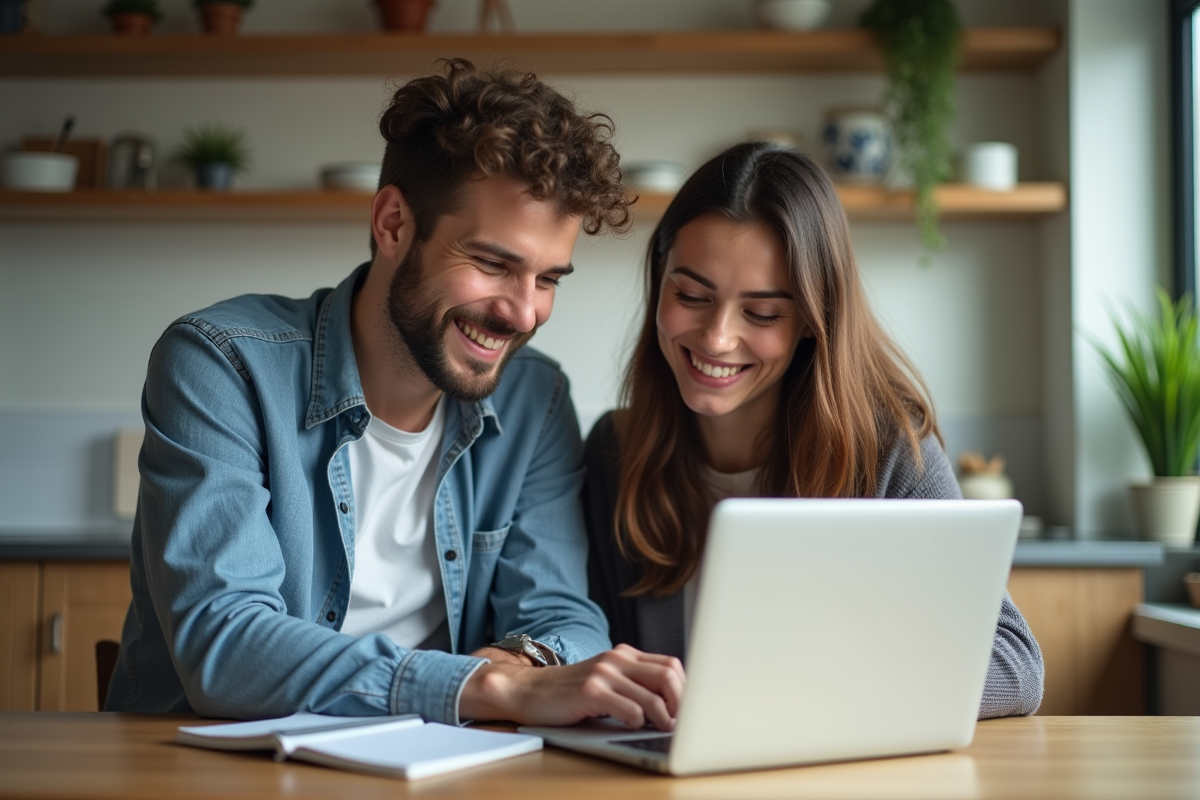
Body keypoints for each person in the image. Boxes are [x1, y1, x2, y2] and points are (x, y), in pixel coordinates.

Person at [106, 59, 684, 732]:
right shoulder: (220, 364)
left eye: (549, 278)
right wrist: (488, 688)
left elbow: (563, 618)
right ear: (392, 224)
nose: (525, 314)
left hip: (429, 764)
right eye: (494, 264)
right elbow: (225, 645)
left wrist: (515, 667)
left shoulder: (537, 399)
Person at [583, 141, 1044, 719]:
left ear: (811, 320)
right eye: (692, 295)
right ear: (660, 283)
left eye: (763, 313)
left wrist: (815, 695)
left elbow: (1013, 665)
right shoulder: (614, 451)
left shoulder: (887, 450)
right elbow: (583, 644)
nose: (717, 337)